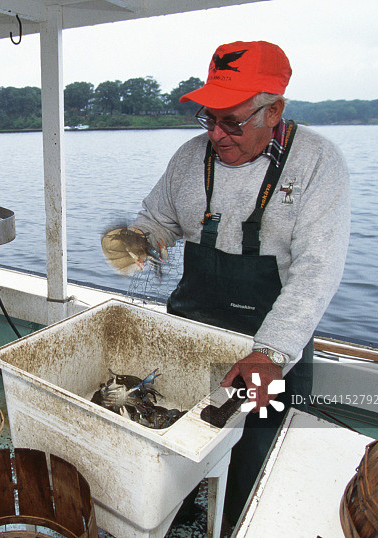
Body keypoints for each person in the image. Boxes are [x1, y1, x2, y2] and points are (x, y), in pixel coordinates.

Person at [102, 40, 350, 524]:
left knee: (255, 461)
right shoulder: (189, 158)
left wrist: (272, 351)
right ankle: (177, 513)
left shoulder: (319, 163)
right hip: (193, 331)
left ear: (274, 109)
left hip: (269, 339)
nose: (216, 134)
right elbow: (159, 217)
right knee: (178, 438)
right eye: (208, 118)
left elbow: (318, 269)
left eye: (232, 121)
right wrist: (139, 242)